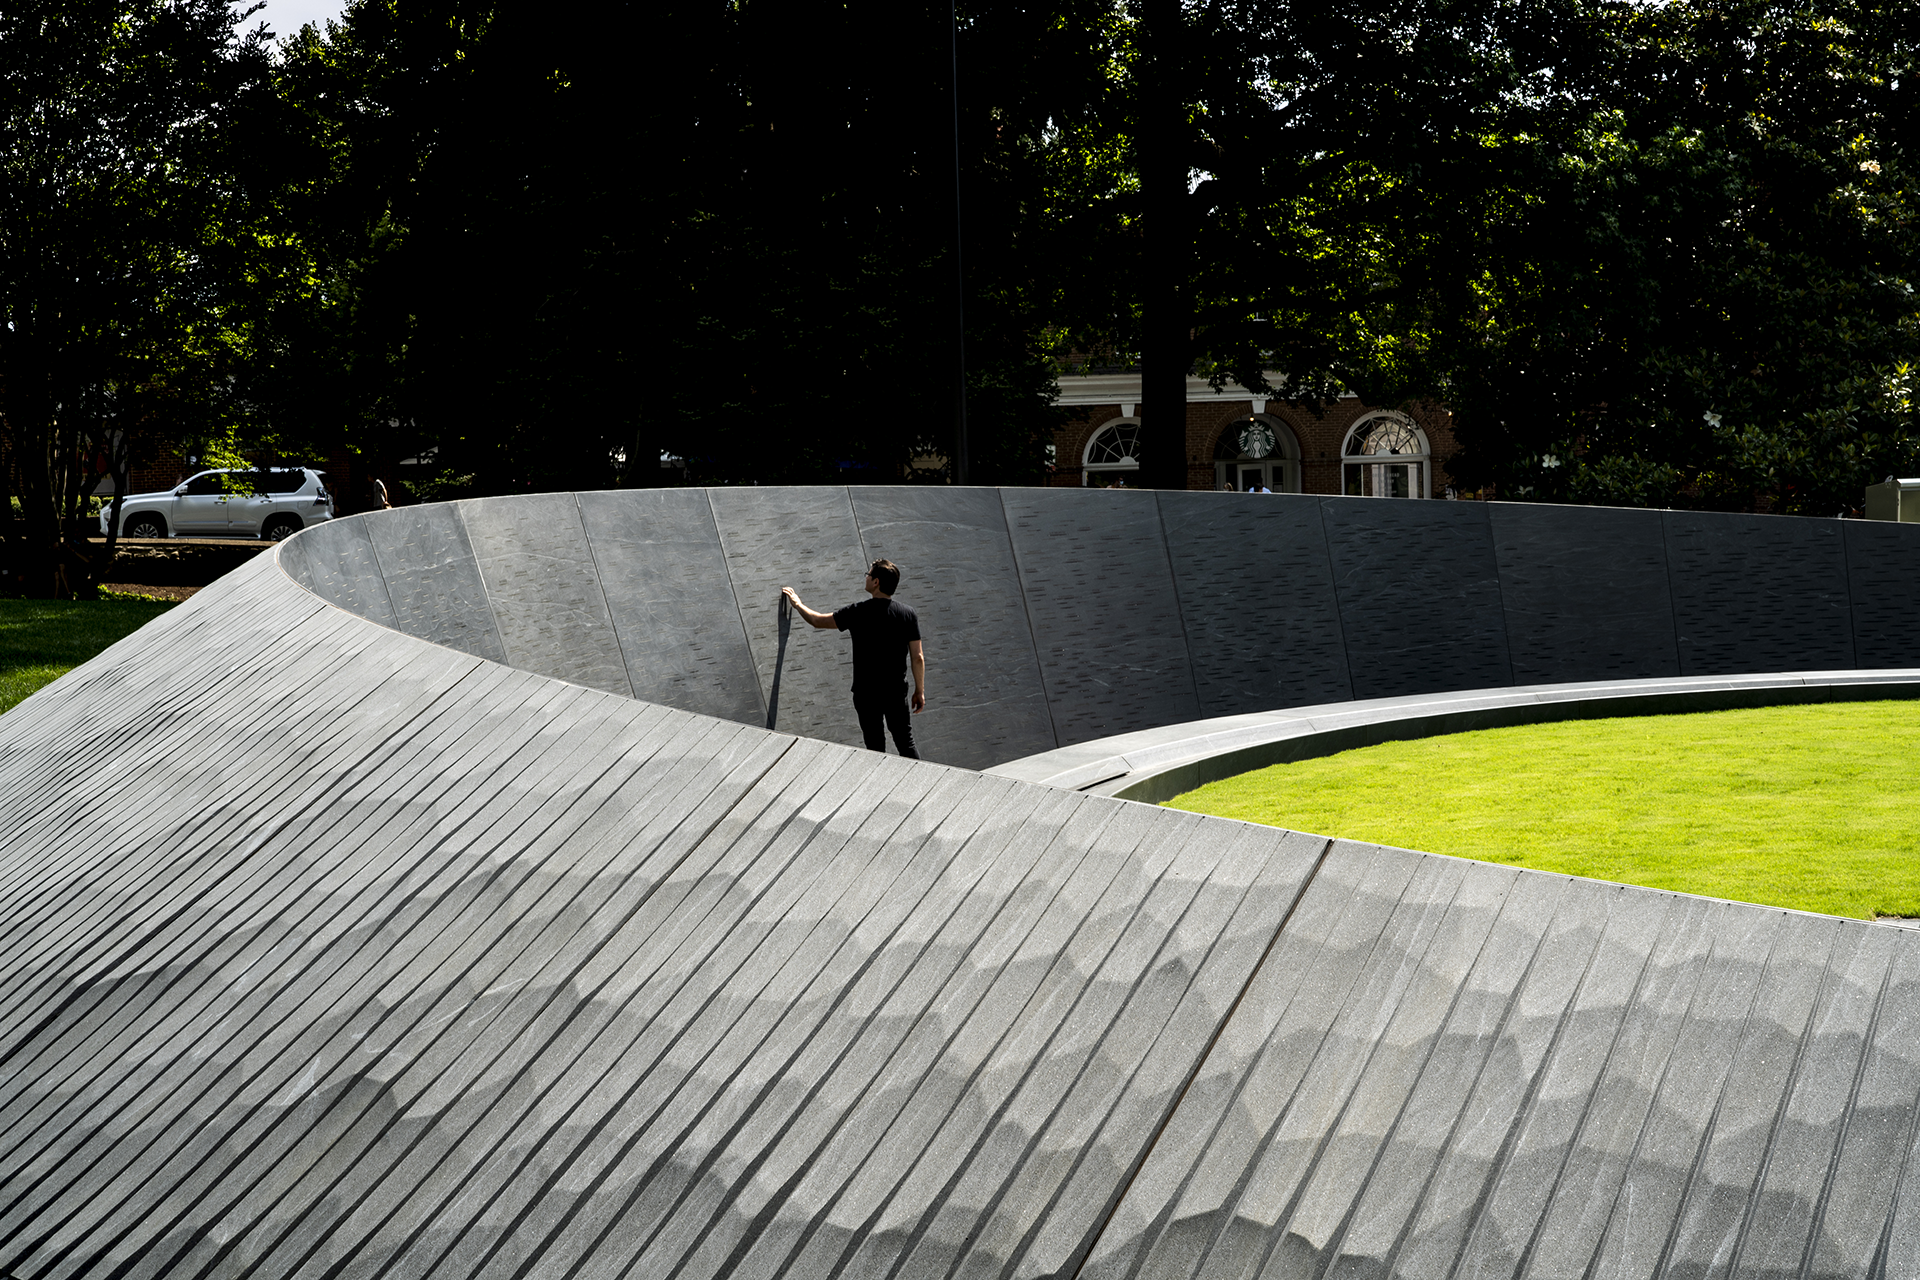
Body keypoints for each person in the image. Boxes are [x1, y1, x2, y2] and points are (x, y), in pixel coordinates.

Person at [781, 559, 925, 758]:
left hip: (866, 693)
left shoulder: (857, 612)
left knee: (875, 748)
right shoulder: (908, 614)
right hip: (895, 692)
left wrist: (798, 604)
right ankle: (919, 785)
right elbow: (917, 657)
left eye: (868, 574)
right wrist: (920, 691)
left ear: (876, 582)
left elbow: (817, 621)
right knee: (905, 742)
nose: (865, 577)